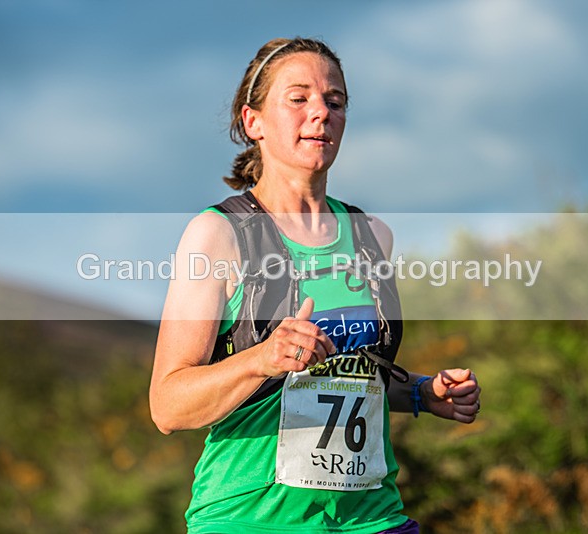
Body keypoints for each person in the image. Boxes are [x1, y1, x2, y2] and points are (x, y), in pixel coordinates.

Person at [149, 37, 481, 533]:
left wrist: (420, 393)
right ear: (253, 122)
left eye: (335, 101)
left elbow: (351, 374)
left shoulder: (372, 236)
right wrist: (261, 358)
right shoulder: (218, 234)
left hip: (372, 518)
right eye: (298, 98)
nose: (321, 112)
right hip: (251, 520)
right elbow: (167, 405)